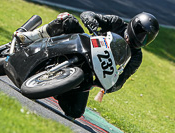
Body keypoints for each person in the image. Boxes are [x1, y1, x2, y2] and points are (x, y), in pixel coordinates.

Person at [15, 11, 159, 118]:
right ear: (134, 24)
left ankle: (57, 86)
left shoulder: (136, 57)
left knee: (75, 111)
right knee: (68, 20)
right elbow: (87, 14)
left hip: (89, 71)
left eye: (147, 38)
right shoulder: (117, 23)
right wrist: (92, 23)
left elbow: (121, 80)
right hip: (83, 46)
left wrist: (106, 86)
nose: (142, 39)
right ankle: (31, 37)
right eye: (141, 34)